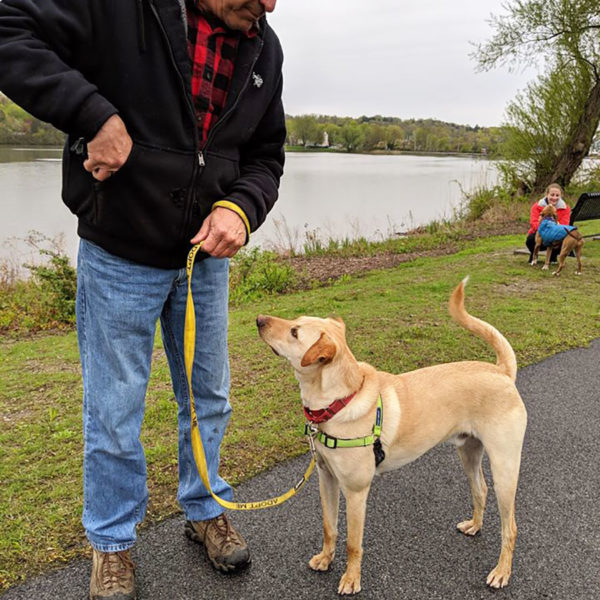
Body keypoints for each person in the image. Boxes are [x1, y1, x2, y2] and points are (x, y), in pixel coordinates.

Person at [0, 0, 284, 598]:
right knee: (114, 410)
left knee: (210, 397)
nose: (270, 4)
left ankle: (204, 511)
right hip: (118, 254)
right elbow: (9, 29)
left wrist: (241, 207)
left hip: (203, 262)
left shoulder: (265, 46)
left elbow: (265, 158)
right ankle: (112, 545)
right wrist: (92, 113)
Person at [525, 183, 571, 263]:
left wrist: (552, 231)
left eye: (557, 195)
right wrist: (546, 231)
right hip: (539, 233)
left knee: (564, 238)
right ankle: (534, 256)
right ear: (547, 194)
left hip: (555, 234)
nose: (554, 197)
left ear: (561, 196)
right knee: (531, 239)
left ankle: (553, 256)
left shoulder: (565, 208)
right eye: (552, 195)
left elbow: (564, 225)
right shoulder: (536, 206)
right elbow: (534, 223)